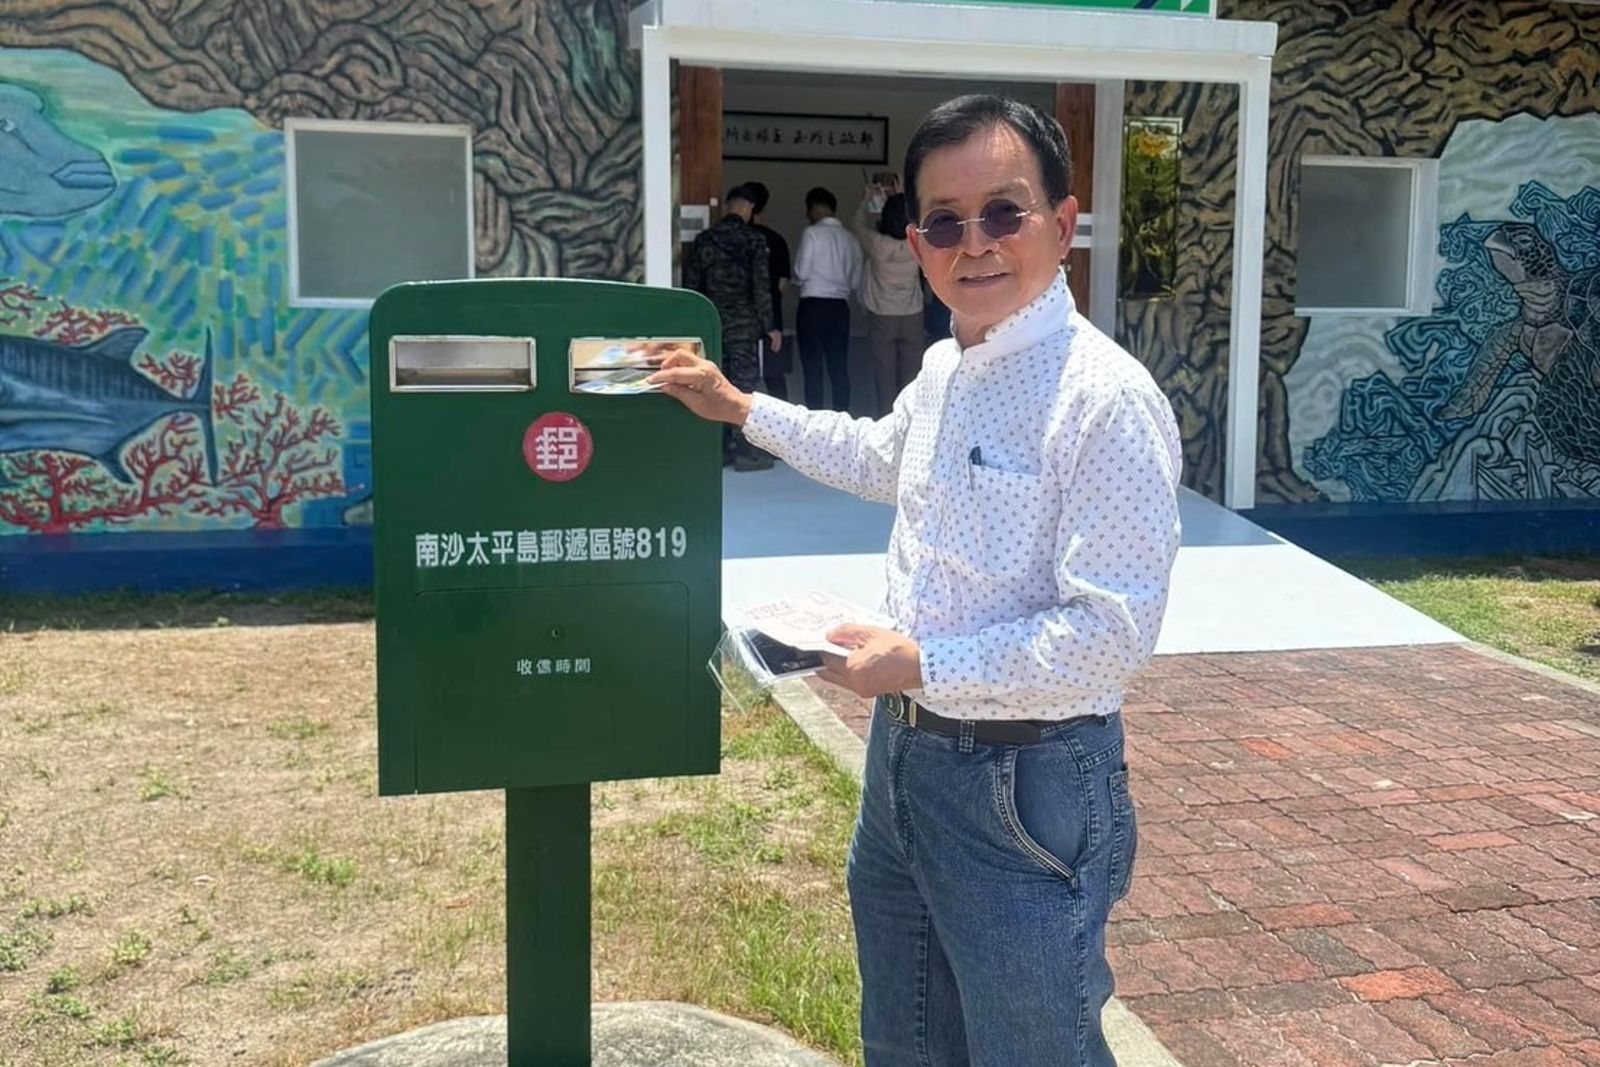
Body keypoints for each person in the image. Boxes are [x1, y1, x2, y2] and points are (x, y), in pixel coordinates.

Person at [653, 95, 1182, 1065]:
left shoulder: (1104, 399)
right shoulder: (945, 367)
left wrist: (922, 662)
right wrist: (740, 408)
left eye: (1004, 212)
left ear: (1063, 222)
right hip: (902, 764)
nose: (973, 243)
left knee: (1033, 1052)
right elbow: (878, 455)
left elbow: (1109, 636)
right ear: (916, 240)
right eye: (944, 221)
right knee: (906, 1040)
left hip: (1024, 786)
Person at [682, 184, 783, 471]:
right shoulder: (754, 240)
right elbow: (761, 287)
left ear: (728, 206)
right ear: (749, 209)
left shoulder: (705, 240)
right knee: (743, 387)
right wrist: (771, 327)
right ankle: (745, 451)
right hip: (743, 326)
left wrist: (693, 323)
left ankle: (719, 449)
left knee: (712, 384)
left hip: (712, 324)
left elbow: (692, 286)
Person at [852, 177, 924, 416]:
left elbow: (858, 224)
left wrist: (865, 201)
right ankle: (911, 422)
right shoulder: (918, 243)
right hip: (912, 313)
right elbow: (922, 221)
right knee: (912, 377)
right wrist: (905, 197)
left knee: (884, 375)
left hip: (882, 314)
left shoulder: (877, 244)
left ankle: (888, 420)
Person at [792, 186, 863, 412]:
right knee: (838, 366)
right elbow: (856, 281)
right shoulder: (851, 239)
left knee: (812, 367)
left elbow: (801, 272)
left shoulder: (811, 233)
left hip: (812, 305)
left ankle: (815, 417)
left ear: (815, 208)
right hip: (839, 307)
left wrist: (796, 279)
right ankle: (842, 415)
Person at [744, 181, 792, 401]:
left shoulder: (736, 239)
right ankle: (780, 418)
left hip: (739, 318)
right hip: (771, 314)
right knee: (775, 376)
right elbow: (782, 283)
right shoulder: (776, 240)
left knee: (740, 376)